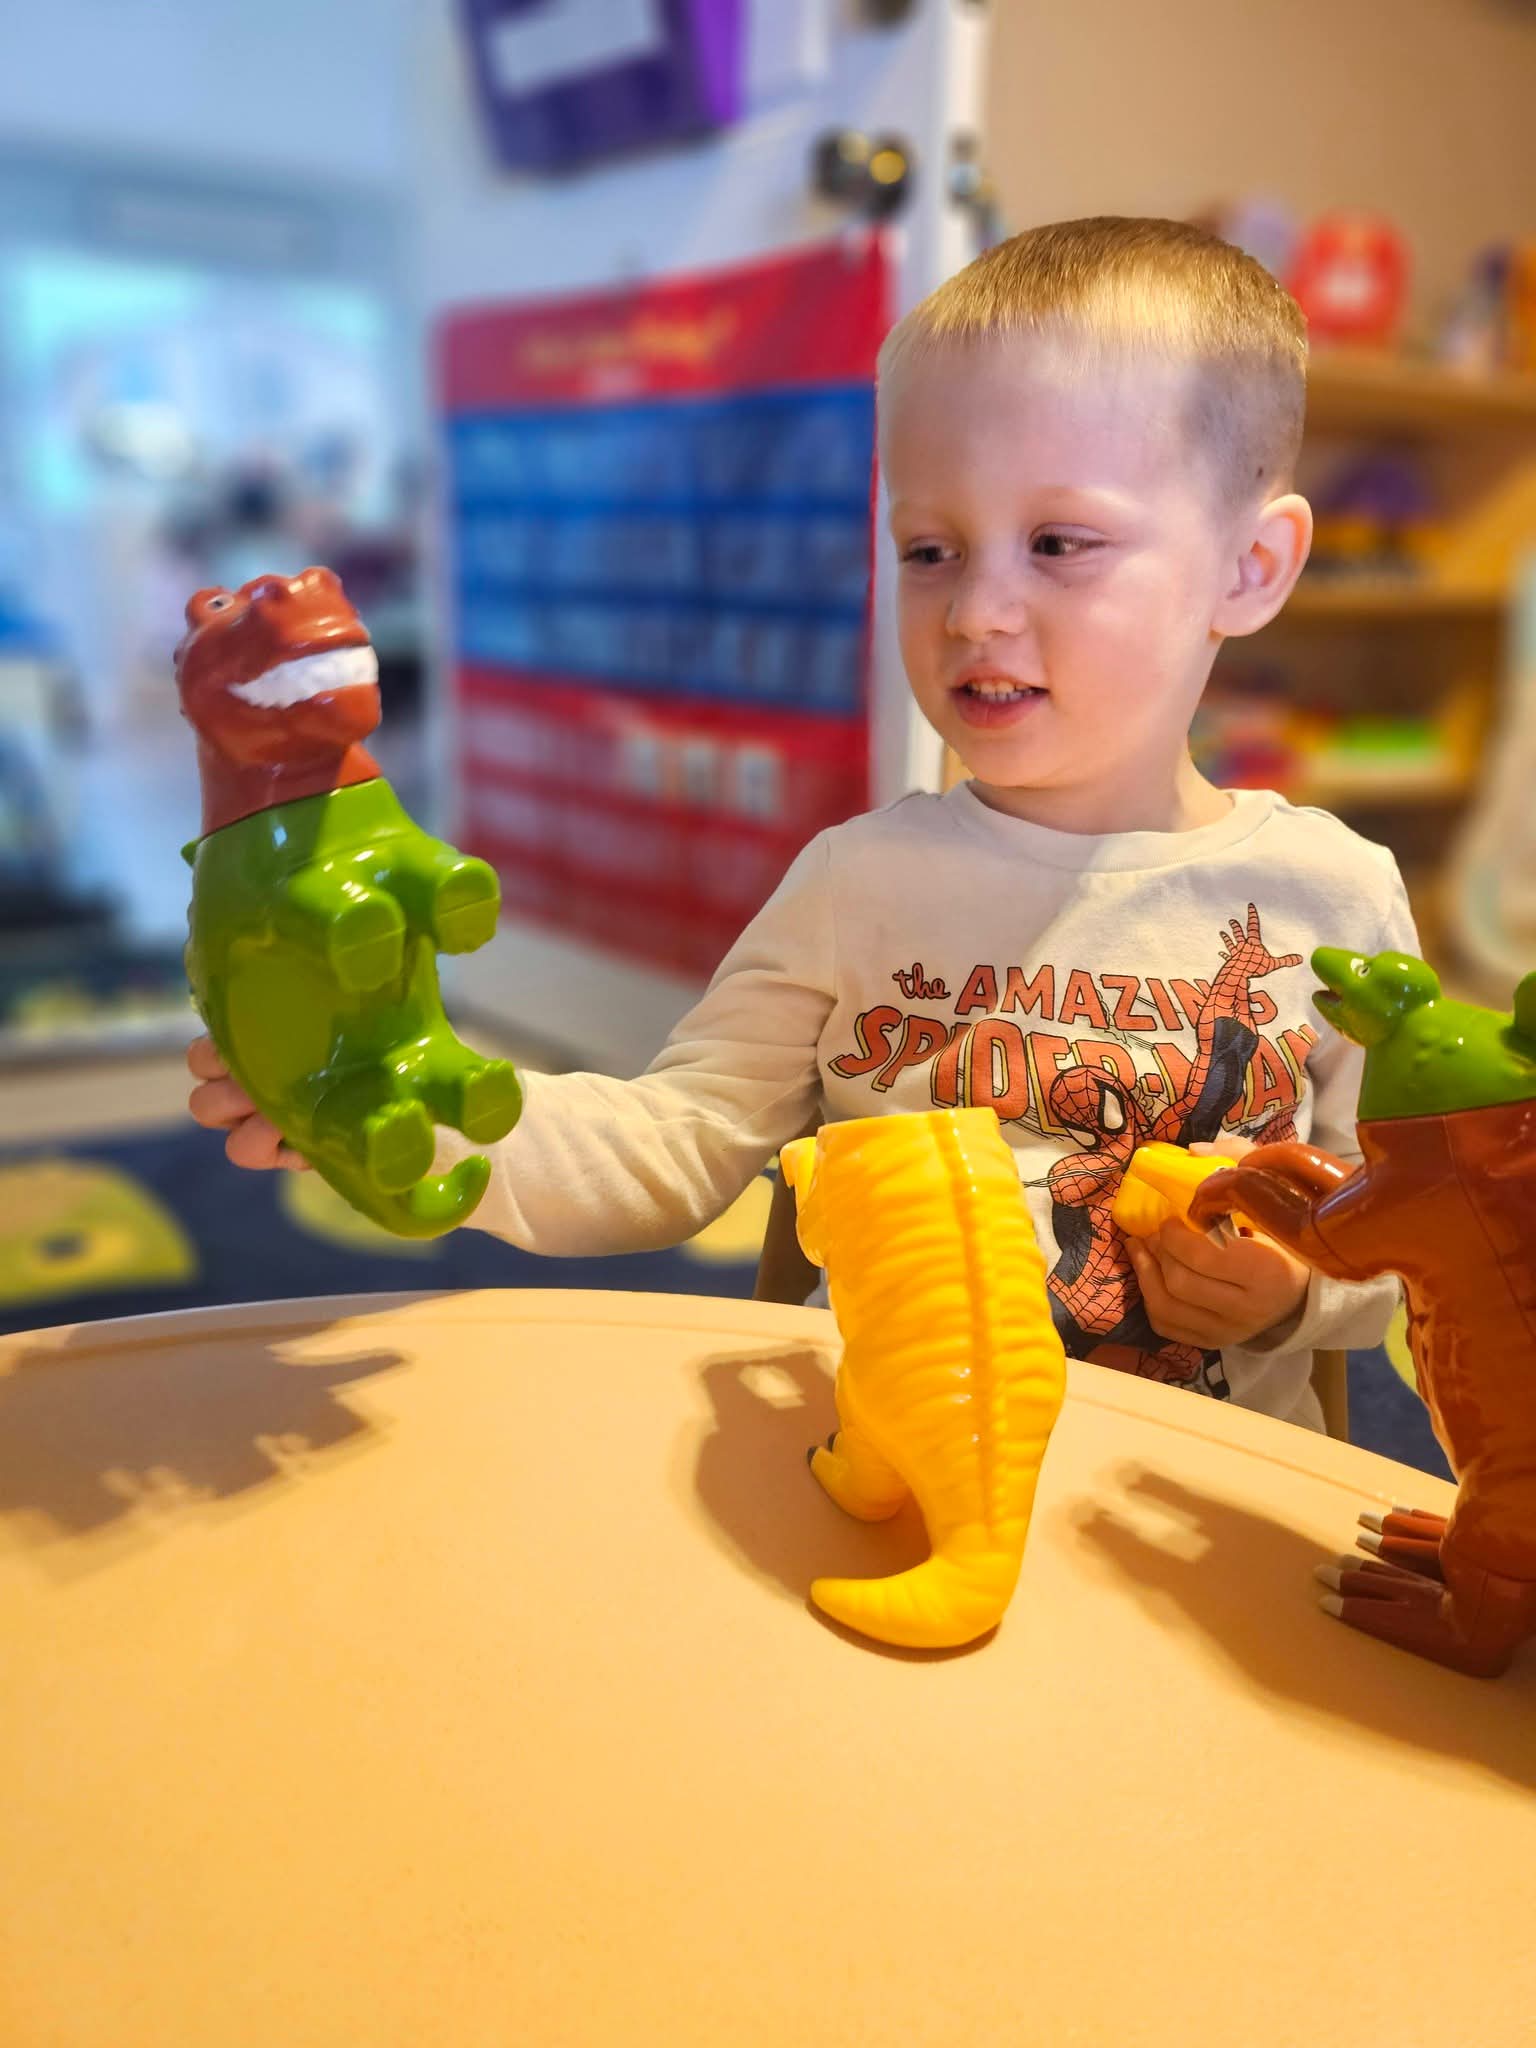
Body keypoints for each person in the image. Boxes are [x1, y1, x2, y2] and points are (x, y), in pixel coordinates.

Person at [188, 217, 1416, 1431]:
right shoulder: (857, 881)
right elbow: (672, 1144)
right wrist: (409, 1111)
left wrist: (1293, 1289)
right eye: (929, 549)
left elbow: (1417, 1244)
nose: (975, 610)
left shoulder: (1336, 900)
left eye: (1058, 543)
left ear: (1251, 567)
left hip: (1184, 1497)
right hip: (880, 1458)